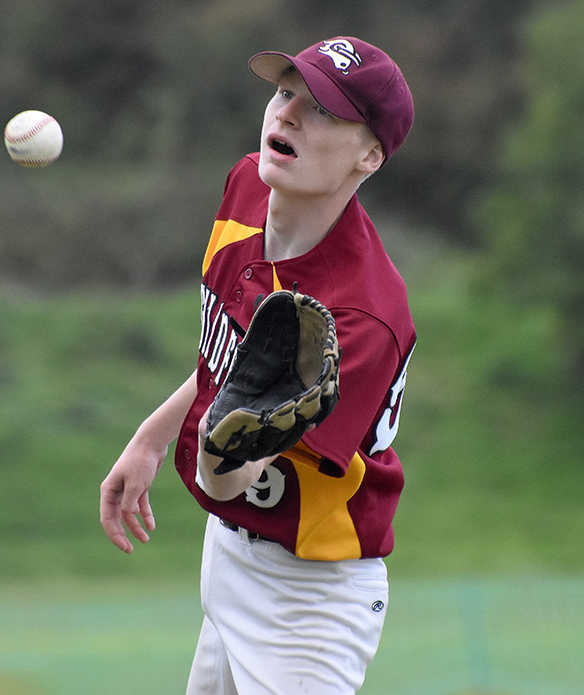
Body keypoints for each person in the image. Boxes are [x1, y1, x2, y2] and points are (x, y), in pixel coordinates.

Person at [100, 36, 417, 694]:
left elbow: (230, 479)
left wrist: (217, 448)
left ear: (370, 155)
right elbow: (232, 365)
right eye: (285, 92)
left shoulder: (359, 318)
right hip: (228, 549)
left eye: (323, 110)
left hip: (307, 597)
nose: (288, 114)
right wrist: (151, 439)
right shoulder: (247, 184)